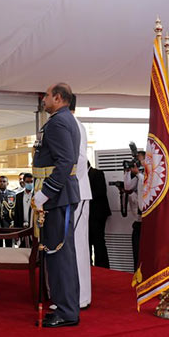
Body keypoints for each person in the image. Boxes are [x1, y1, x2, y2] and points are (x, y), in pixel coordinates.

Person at [32, 82, 81, 328]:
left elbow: (65, 162)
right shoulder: (62, 119)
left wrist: (46, 193)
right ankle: (65, 306)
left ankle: (67, 311)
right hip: (59, 198)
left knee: (59, 255)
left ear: (58, 98)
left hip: (57, 198)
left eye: (47, 95)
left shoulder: (60, 122)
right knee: (58, 255)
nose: (44, 99)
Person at [71, 94, 93, 309]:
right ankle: (72, 294)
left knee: (77, 247)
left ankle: (80, 297)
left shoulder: (75, 126)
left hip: (75, 193)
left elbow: (78, 160)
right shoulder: (68, 125)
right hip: (70, 194)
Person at [87, 161, 111, 268]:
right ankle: (88, 266)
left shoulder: (97, 173)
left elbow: (100, 191)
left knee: (98, 242)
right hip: (86, 215)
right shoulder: (79, 177)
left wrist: (84, 196)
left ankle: (102, 267)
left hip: (97, 214)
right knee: (86, 241)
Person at [124, 151, 146, 271]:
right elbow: (128, 187)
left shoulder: (148, 174)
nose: (136, 163)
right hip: (137, 220)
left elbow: (144, 188)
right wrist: (128, 172)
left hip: (147, 220)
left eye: (139, 160)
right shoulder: (138, 176)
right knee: (136, 250)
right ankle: (136, 272)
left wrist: (138, 174)